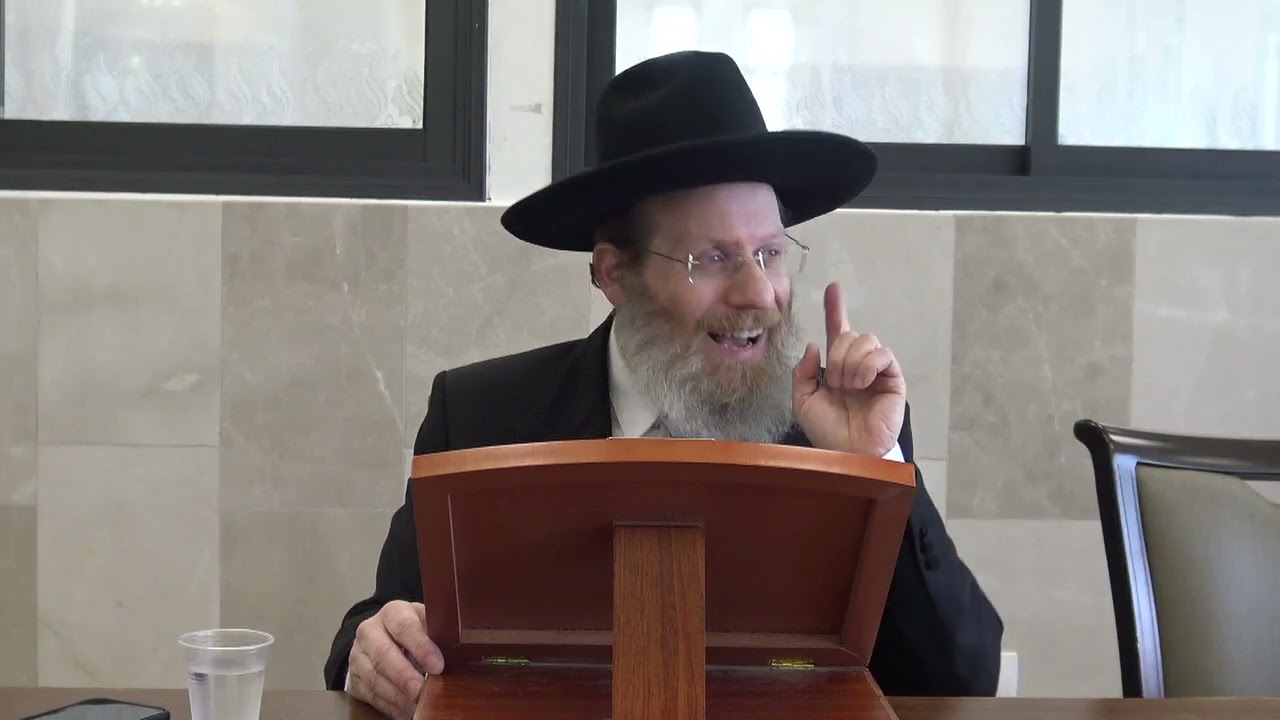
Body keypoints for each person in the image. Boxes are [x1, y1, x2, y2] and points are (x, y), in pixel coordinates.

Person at [324, 50, 1003, 720]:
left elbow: (962, 678)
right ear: (615, 274)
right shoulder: (482, 417)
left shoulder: (839, 432)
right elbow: (374, 638)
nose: (759, 293)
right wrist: (374, 648)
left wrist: (875, 468)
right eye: (713, 259)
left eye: (769, 253)